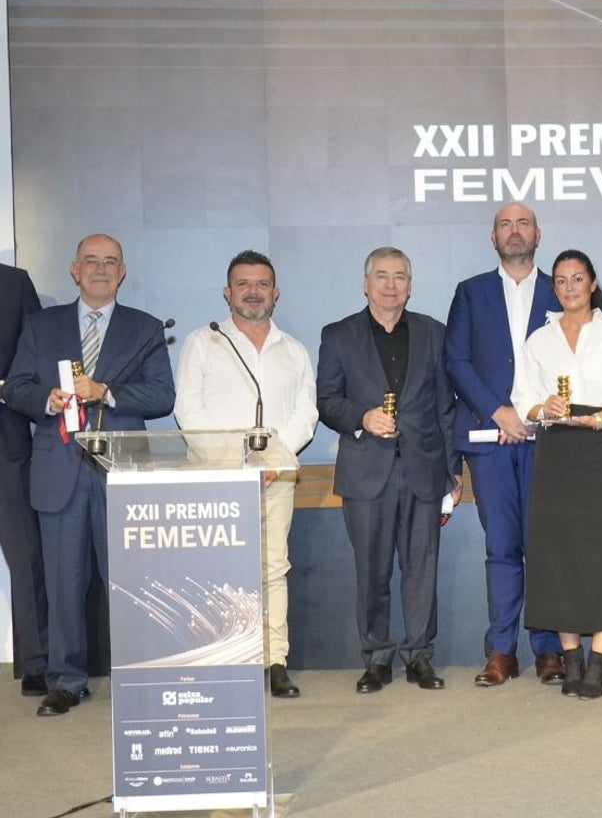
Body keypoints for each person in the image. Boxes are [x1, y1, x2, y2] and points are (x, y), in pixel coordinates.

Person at [5, 234, 175, 716]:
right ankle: (66, 680)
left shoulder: (144, 328)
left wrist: (106, 391)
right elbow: (15, 388)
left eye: (110, 262)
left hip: (121, 471)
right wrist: (46, 399)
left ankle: (138, 676)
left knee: (129, 582)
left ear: (122, 273)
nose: (101, 269)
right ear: (74, 270)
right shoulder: (41, 326)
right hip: (59, 471)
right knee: (62, 582)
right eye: (91, 261)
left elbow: (163, 397)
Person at [316, 247, 461, 695]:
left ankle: (419, 655)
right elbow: (325, 400)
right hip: (366, 472)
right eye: (382, 276)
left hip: (424, 470)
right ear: (366, 284)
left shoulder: (435, 333)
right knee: (372, 571)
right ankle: (376, 658)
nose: (391, 284)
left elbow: (445, 408)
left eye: (400, 276)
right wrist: (362, 417)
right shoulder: (338, 335)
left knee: (422, 570)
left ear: (410, 286)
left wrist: (452, 475)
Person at [174, 250, 318, 698]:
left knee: (273, 569)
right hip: (216, 479)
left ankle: (274, 661)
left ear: (275, 294)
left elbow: (305, 413)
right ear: (227, 292)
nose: (252, 292)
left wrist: (271, 462)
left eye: (261, 284)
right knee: (219, 571)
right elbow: (188, 411)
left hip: (275, 479)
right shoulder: (204, 341)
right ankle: (225, 662)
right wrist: (231, 466)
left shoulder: (292, 350)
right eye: (243, 284)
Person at [512, 250, 602, 699]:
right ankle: (571, 658)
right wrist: (541, 407)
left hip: (601, 449)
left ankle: (600, 661)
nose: (570, 288)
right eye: (561, 281)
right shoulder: (540, 340)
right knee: (560, 556)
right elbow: (521, 399)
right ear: (554, 288)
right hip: (556, 454)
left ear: (592, 284)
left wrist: (597, 419)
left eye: (578, 279)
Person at [444, 202, 564, 687]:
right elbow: (456, 360)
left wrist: (537, 411)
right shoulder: (471, 293)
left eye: (523, 224)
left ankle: (550, 649)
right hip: (491, 440)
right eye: (505, 224)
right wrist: (500, 411)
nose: (515, 232)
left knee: (547, 546)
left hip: (550, 443)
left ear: (539, 233)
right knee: (502, 548)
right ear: (492, 237)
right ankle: (500, 651)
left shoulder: (564, 287)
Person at [0, 263, 48, 697]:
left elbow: (36, 359)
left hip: (5, 443)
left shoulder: (14, 284)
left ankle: (36, 662)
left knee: (25, 554)